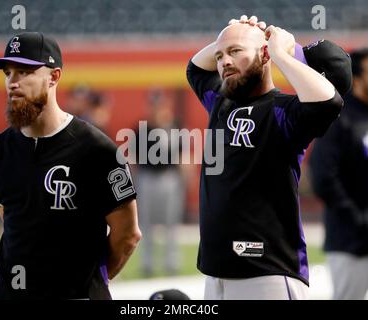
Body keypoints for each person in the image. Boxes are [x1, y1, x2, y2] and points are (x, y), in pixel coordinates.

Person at [186, 15, 351, 299]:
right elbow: (195, 69)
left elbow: (329, 102)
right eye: (220, 56)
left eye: (235, 52)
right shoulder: (220, 102)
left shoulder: (285, 112)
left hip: (267, 271)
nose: (224, 61)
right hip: (216, 272)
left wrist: (278, 53)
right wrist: (233, 36)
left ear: (264, 55)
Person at [0, 32, 141, 299]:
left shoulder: (97, 150)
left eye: (24, 72)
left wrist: (89, 281)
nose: (12, 82)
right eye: (8, 73)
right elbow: (12, 222)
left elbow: (127, 235)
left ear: (54, 77)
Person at [309, 48, 368, 300]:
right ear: (357, 78)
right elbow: (323, 176)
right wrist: (357, 218)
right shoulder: (339, 118)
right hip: (350, 241)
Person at [134, 89, 186, 277]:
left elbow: (181, 154)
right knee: (145, 224)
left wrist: (185, 177)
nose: (156, 108)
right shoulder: (141, 128)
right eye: (153, 104)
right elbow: (133, 158)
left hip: (169, 177)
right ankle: (147, 263)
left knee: (171, 223)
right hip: (147, 177)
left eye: (159, 104)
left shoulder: (174, 126)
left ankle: (172, 262)